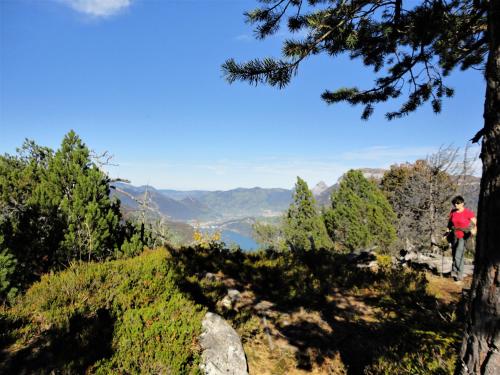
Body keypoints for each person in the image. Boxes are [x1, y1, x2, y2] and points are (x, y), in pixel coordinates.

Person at [446, 196, 477, 281]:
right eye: (454, 203)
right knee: (455, 254)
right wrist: (446, 233)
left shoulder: (467, 212)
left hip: (464, 235)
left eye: (457, 203)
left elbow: (475, 222)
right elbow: (449, 224)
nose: (455, 205)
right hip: (454, 235)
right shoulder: (453, 212)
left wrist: (474, 230)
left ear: (462, 203)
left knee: (458, 255)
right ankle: (456, 273)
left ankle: (457, 274)